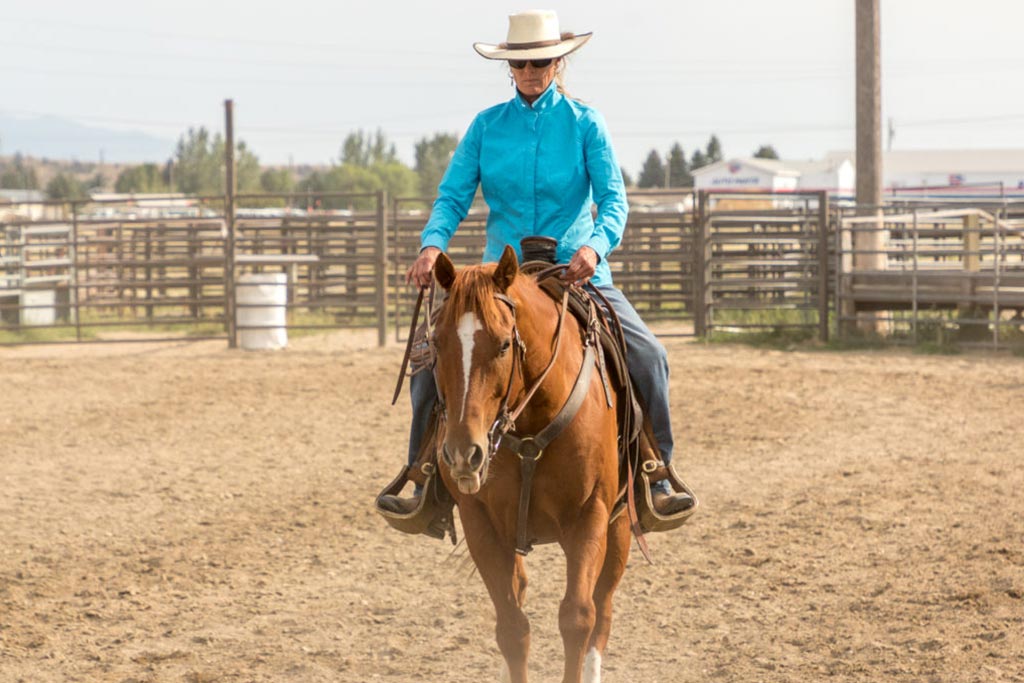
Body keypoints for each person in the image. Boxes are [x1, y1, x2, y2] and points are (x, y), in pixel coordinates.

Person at [379, 9, 693, 519]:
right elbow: (453, 196)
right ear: (510, 67)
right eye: (521, 64)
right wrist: (432, 244)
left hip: (576, 270)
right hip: (498, 280)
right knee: (429, 363)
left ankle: (656, 472)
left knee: (650, 357)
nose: (530, 72)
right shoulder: (486, 127)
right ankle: (424, 476)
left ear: (557, 62)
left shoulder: (587, 124)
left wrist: (594, 247)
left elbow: (614, 200)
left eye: (540, 62)